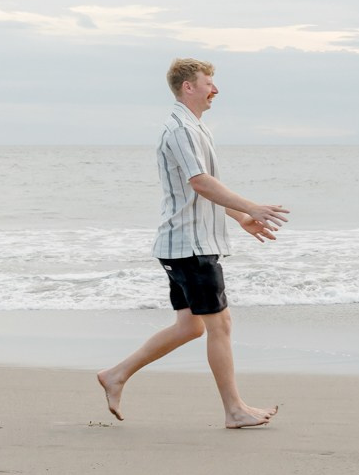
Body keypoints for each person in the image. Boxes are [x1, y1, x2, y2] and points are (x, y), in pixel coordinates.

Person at [96, 58, 290, 428]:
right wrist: (251, 205)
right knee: (220, 325)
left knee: (190, 326)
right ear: (188, 86)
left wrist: (240, 218)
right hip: (190, 245)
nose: (215, 90)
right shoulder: (181, 130)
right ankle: (234, 410)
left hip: (188, 242)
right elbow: (199, 183)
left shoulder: (194, 128)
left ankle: (116, 375)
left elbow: (201, 191)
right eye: (208, 83)